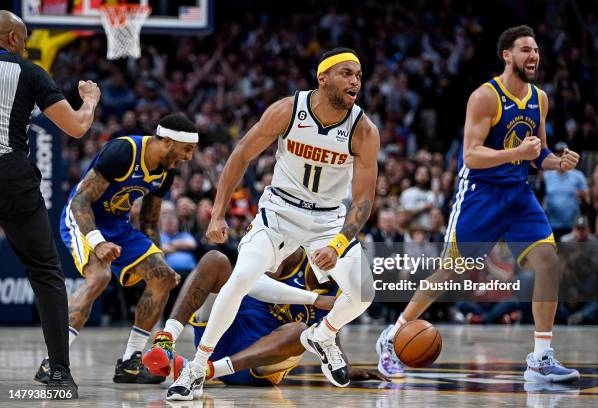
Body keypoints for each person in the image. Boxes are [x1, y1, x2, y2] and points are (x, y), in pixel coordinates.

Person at [167, 47, 379, 400]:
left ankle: (323, 335)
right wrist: (218, 213)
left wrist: (339, 243)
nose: (355, 80)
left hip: (328, 221)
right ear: (322, 78)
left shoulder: (363, 130)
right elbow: (242, 155)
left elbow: (364, 201)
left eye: (358, 75)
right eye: (346, 73)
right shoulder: (288, 110)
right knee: (240, 279)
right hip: (280, 212)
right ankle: (195, 369)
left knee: (364, 293)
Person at [376, 26, 581, 383]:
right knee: (451, 271)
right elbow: (471, 155)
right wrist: (517, 153)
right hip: (480, 194)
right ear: (507, 55)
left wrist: (556, 162)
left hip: (518, 193)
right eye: (525, 50)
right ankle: (393, 336)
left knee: (548, 261)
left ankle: (540, 357)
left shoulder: (539, 98)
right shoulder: (485, 97)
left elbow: (539, 153)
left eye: (536, 50)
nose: (533, 56)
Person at [33, 113, 197, 384]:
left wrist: (159, 259)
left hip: (118, 226)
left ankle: (130, 363)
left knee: (163, 278)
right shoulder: (123, 151)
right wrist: (97, 242)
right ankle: (53, 362)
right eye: (187, 149)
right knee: (99, 277)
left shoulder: (166, 172)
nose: (189, 157)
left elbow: (149, 220)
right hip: (83, 218)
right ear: (168, 142)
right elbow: (81, 201)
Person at [0, 10, 101, 398]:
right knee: (45, 272)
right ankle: (59, 373)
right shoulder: (29, 72)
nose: (26, 45)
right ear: (11, 39)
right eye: (24, 38)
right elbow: (76, 126)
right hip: (10, 175)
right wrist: (89, 100)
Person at [142, 248, 387, 391]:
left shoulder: (342, 298)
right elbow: (254, 282)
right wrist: (314, 299)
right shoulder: (293, 256)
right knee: (215, 260)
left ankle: (205, 371)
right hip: (224, 331)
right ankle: (166, 340)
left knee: (300, 331)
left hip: (254, 367)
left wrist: (349, 370)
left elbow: (331, 346)